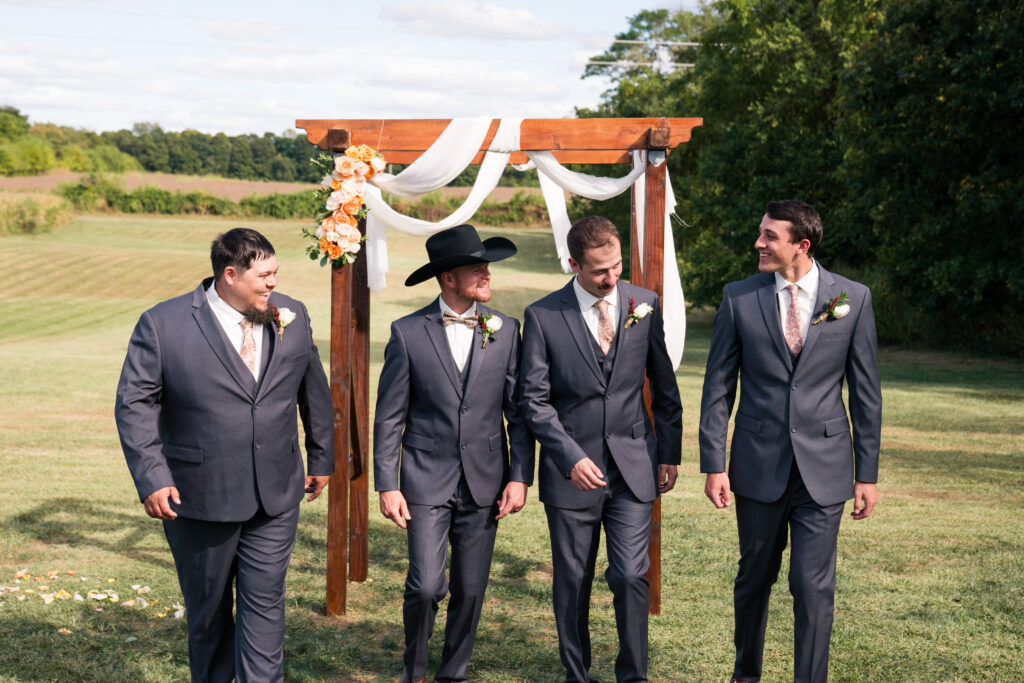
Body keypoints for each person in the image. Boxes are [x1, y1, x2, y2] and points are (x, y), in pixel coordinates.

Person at [114, 228, 334, 683]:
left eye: (276, 273)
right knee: (209, 615)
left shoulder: (292, 314)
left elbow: (312, 387)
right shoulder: (163, 324)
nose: (274, 284)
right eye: (264, 275)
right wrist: (153, 477)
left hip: (276, 494)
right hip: (199, 497)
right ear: (230, 274)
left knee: (266, 605)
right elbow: (135, 404)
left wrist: (321, 457)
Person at [699, 200, 882, 683]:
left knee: (811, 582)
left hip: (825, 466)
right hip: (757, 464)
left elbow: (865, 394)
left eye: (769, 236)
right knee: (754, 576)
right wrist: (713, 463)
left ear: (802, 245)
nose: (758, 243)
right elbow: (718, 385)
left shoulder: (853, 298)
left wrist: (867, 474)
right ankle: (746, 674)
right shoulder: (739, 297)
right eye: (760, 233)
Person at [519, 215, 683, 683]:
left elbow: (664, 387)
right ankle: (577, 674)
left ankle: (633, 676)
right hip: (571, 475)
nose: (611, 279)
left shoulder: (643, 303)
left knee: (631, 575)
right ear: (573, 264)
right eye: (599, 272)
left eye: (616, 267)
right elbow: (533, 400)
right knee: (573, 582)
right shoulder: (543, 316)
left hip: (634, 466)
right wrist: (570, 458)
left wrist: (668, 452)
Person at [373, 223, 535, 683]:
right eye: (476, 266)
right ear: (448, 278)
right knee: (426, 586)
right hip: (424, 479)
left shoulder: (506, 331)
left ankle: (454, 673)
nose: (487, 272)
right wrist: (388, 484)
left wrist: (520, 476)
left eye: (486, 265)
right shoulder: (407, 334)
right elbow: (389, 418)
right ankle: (416, 669)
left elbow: (518, 414)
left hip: (487, 478)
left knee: (471, 588)